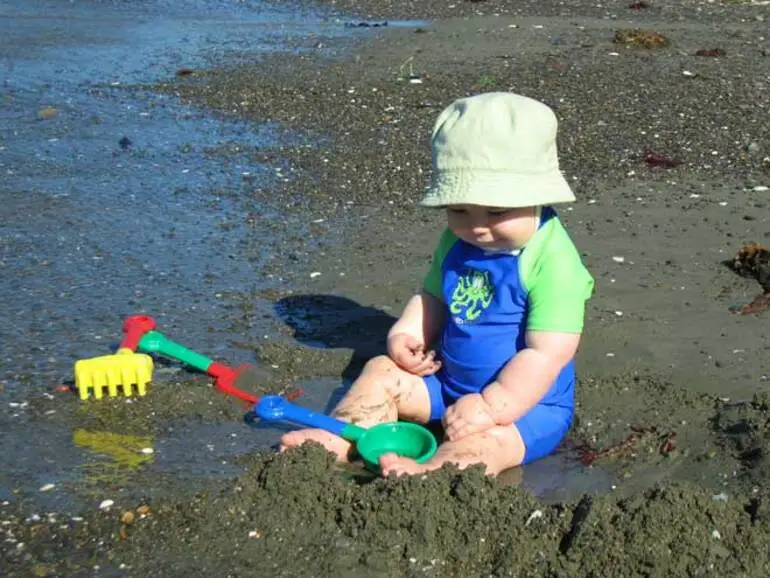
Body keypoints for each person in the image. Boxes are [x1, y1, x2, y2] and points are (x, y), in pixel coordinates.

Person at [281, 92, 594, 477]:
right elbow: (433, 296)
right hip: (446, 386)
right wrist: (407, 335)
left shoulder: (554, 263)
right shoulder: (458, 241)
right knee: (380, 370)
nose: (477, 227)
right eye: (458, 209)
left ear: (538, 196)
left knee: (485, 446)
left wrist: (491, 406)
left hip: (525, 409)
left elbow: (547, 354)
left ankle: (432, 472)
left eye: (496, 210)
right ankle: (342, 435)